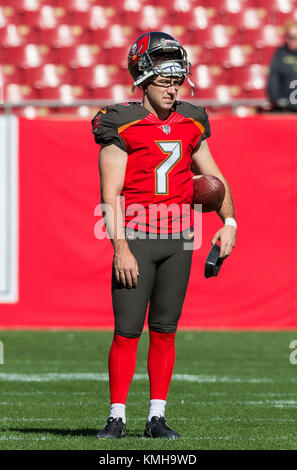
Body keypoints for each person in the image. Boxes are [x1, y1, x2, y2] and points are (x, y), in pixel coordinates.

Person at [91, 31, 237, 439]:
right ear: (143, 78)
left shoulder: (192, 120)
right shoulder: (120, 122)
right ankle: (116, 416)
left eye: (177, 80)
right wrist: (120, 248)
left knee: (166, 329)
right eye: (164, 80)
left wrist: (229, 223)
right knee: (127, 330)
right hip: (136, 234)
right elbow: (110, 195)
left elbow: (215, 179)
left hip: (180, 238)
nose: (173, 88)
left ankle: (156, 416)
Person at [267, 19, 297, 112]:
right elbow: (273, 79)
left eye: (295, 37)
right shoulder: (280, 54)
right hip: (286, 110)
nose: (292, 41)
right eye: (289, 37)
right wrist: (277, 101)